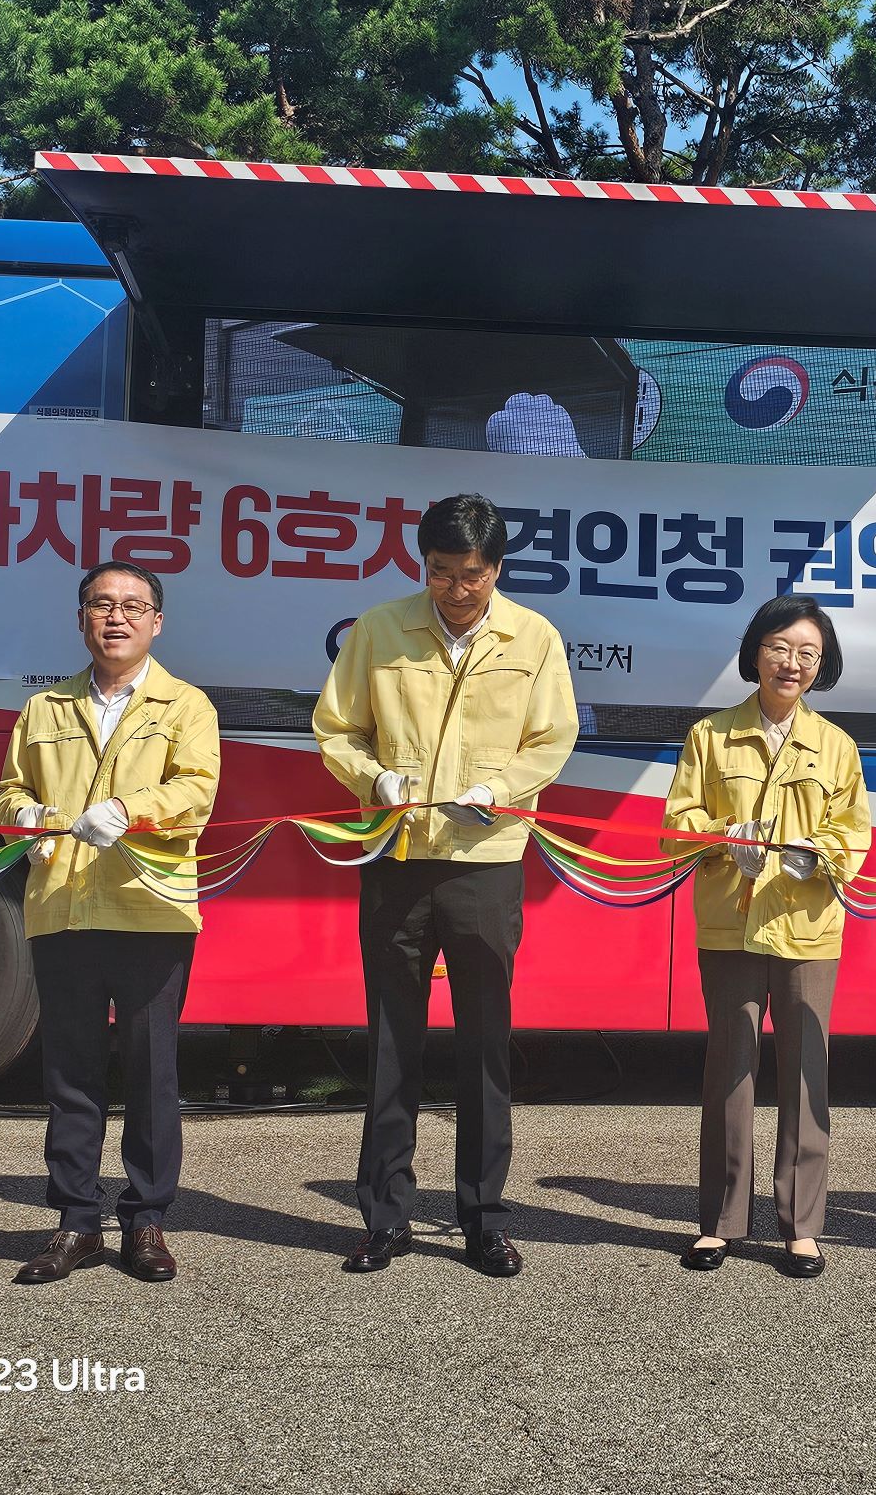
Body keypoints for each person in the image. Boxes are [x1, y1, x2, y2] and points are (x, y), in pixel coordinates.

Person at [313, 492, 578, 1278]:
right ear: (421, 564)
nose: (456, 590)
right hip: (397, 857)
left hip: (486, 863)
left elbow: (552, 737)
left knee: (484, 1044)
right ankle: (384, 1218)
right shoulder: (379, 630)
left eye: (471, 574)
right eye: (439, 572)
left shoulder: (533, 637)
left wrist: (500, 789)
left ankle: (483, 1219)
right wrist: (376, 779)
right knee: (391, 1040)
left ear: (497, 567)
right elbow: (336, 729)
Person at [0, 561, 220, 1285]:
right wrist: (23, 813)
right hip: (63, 908)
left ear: (157, 622)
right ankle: (76, 1222)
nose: (116, 617)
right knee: (71, 1074)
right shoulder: (44, 708)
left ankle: (146, 1220)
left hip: (151, 910)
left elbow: (198, 791)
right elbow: (7, 789)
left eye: (133, 606)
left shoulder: (186, 705)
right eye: (101, 604)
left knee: (152, 1074)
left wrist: (128, 809)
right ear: (81, 619)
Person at [663, 595, 870, 1278]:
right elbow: (676, 825)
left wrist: (821, 851)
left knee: (806, 1072)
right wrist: (724, 836)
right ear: (755, 653)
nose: (792, 663)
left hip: (807, 926)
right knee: (730, 1069)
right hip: (731, 922)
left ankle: (801, 1227)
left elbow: (854, 832)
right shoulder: (711, 736)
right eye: (780, 647)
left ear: (822, 666)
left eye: (808, 653)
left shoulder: (836, 746)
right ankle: (720, 1222)